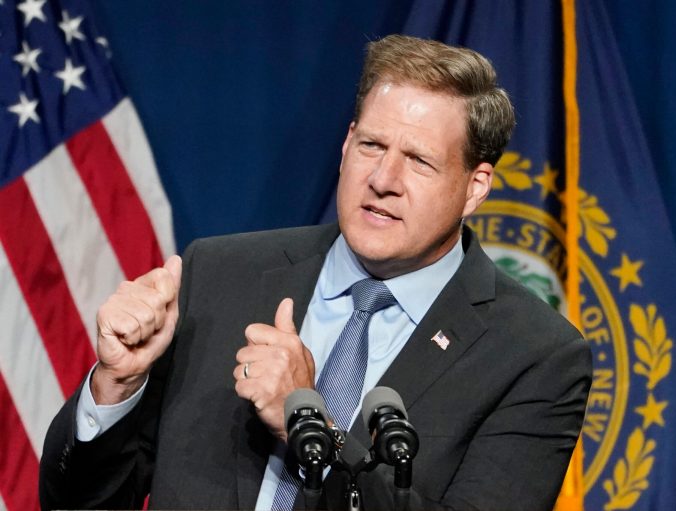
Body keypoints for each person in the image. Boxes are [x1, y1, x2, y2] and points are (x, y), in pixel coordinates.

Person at [40, 35, 592, 511]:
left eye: (419, 161)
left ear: (475, 186)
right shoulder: (220, 275)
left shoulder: (534, 354)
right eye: (372, 145)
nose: (383, 178)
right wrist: (118, 385)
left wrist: (308, 426)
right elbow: (77, 502)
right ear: (347, 143)